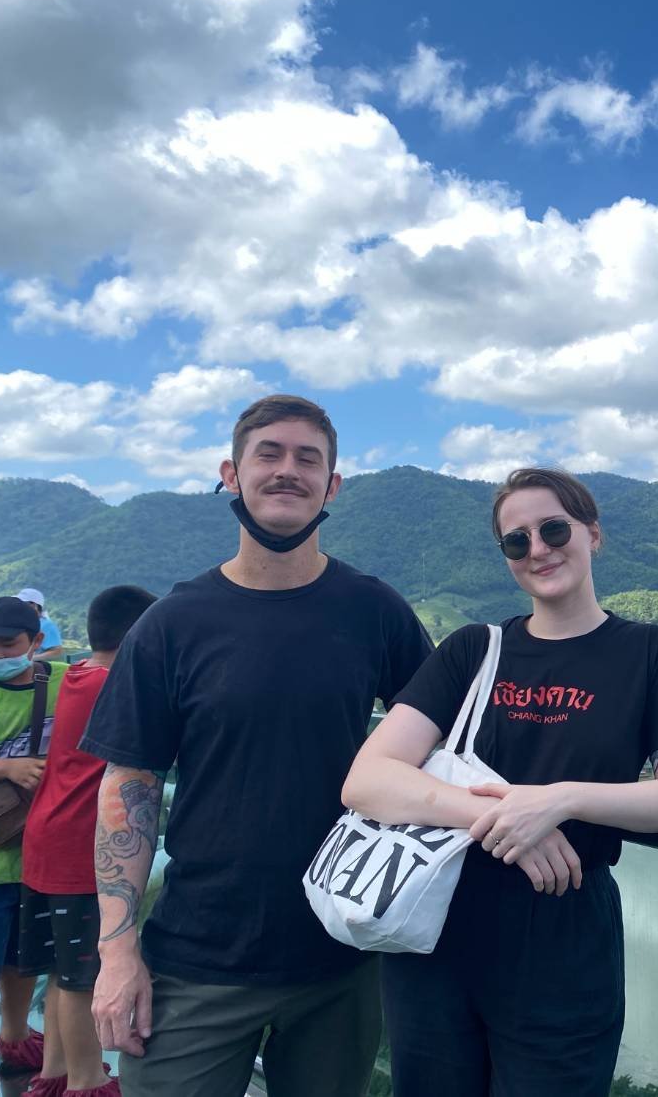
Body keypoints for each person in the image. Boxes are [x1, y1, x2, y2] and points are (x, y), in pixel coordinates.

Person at [80, 395, 433, 1097]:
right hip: (196, 958)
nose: (287, 470)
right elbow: (130, 787)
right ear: (230, 473)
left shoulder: (376, 612)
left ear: (332, 486)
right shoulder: (172, 624)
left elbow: (442, 746)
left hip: (343, 953)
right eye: (267, 453)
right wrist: (118, 953)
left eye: (309, 459)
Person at [343, 466, 658, 1096]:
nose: (538, 549)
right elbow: (367, 779)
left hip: (564, 941)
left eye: (553, 528)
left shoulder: (648, 653)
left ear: (593, 534)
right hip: (433, 931)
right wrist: (508, 819)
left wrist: (559, 801)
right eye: (517, 541)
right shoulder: (471, 651)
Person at [20, 585, 157, 1097]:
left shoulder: (76, 676)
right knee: (83, 979)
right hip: (81, 852)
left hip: (46, 840)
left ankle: (53, 1075)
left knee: (60, 971)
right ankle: (86, 1080)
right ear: (142, 636)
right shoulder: (117, 687)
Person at [0, 595, 65, 1094]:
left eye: (7, 644)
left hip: (38, 857)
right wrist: (6, 767)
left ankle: (15, 1039)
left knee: (21, 959)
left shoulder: (63, 685)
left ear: (36, 643)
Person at [17, 592, 63, 662]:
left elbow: (56, 651)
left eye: (22, 604)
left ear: (33, 605)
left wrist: (29, 659)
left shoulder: (47, 625)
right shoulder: (25, 622)